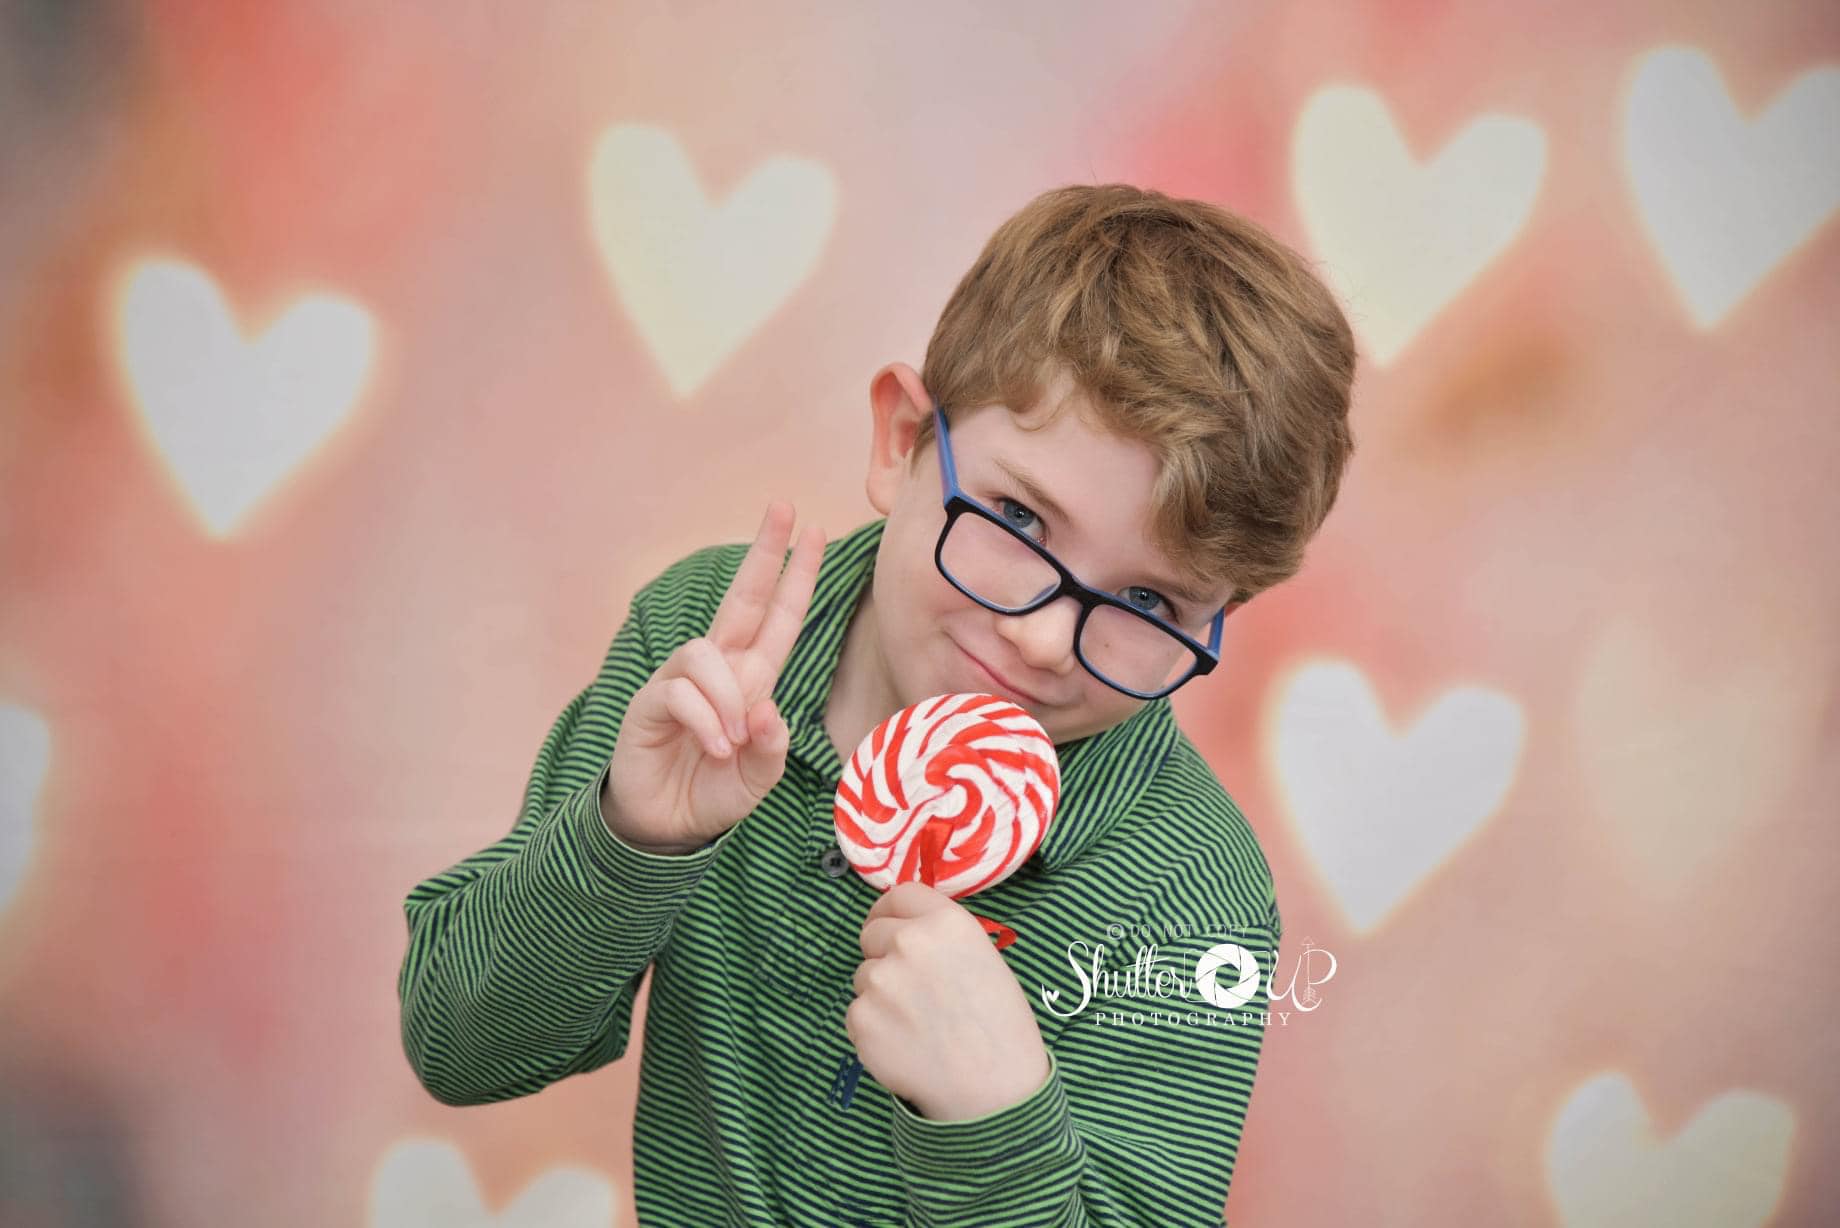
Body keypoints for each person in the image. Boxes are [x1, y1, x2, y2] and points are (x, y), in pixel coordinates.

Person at [397, 183, 1357, 1226]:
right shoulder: (708, 648)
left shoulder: (1189, 892)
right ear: (901, 441)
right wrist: (630, 840)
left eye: (1147, 602)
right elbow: (458, 1048)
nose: (1043, 640)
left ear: (1221, 616)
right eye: (1018, 517)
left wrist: (996, 1116)